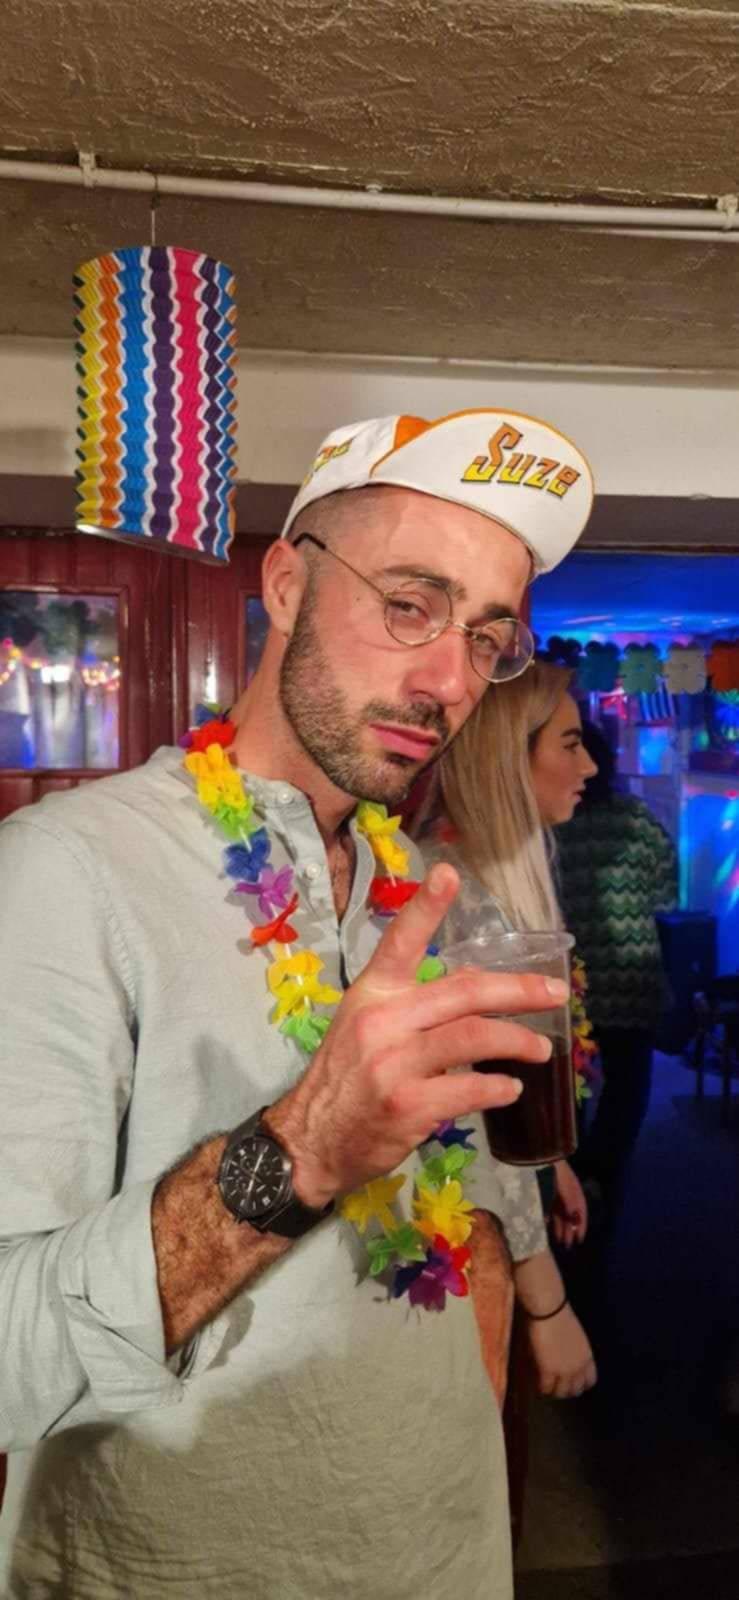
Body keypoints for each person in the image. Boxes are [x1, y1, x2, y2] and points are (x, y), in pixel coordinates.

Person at [0, 408, 593, 1600]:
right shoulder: (69, 868)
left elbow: (465, 1196)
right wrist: (303, 1148)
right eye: (409, 603)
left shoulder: (416, 885)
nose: (447, 682)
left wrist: (511, 1311)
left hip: (445, 1547)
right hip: (181, 1567)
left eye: (486, 638)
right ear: (284, 582)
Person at [420, 661, 599, 1401]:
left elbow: (518, 1086)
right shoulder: (457, 891)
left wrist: (552, 1163)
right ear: (507, 759)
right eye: (570, 745)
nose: (589, 767)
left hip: (501, 1205)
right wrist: (547, 1302)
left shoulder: (493, 872)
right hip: (467, 1229)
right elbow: (476, 1104)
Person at [555, 718, 678, 1207]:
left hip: (574, 981)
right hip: (632, 975)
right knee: (628, 1087)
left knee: (573, 1083)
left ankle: (570, 1171)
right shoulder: (637, 819)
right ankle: (602, 1173)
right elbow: (667, 894)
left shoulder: (552, 825)